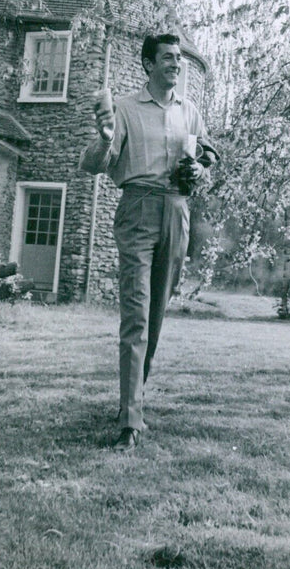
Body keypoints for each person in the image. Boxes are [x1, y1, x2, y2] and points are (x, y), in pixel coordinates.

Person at [79, 33, 217, 453]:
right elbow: (92, 165)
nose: (176, 64)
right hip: (138, 210)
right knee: (136, 316)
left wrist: (201, 172)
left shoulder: (189, 111)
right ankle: (130, 420)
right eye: (168, 58)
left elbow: (208, 155)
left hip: (177, 212)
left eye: (180, 59)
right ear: (148, 64)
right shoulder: (124, 108)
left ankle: (132, 401)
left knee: (155, 318)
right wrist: (105, 138)